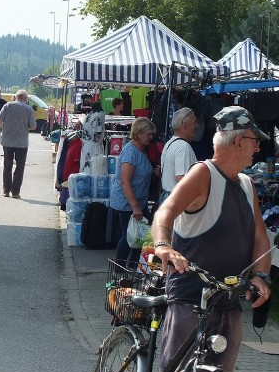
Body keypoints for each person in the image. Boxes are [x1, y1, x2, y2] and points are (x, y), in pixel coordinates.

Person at [151, 106, 271, 372]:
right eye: (256, 140)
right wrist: (163, 246)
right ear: (239, 140)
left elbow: (260, 237)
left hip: (227, 297)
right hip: (191, 296)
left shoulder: (246, 183)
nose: (258, 148)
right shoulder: (203, 174)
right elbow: (164, 212)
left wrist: (261, 276)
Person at [109, 117, 157, 265]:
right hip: (128, 203)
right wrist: (135, 206)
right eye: (148, 134)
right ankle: (120, 269)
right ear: (139, 132)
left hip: (137, 202)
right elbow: (125, 181)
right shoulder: (131, 152)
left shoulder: (141, 150)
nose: (151, 137)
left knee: (141, 235)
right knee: (130, 236)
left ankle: (131, 266)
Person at [0, 89, 36, 199]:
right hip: (22, 142)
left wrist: (4, 128)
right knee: (20, 167)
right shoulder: (29, 109)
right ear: (25, 99)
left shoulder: (8, 105)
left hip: (7, 140)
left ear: (16, 97)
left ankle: (6, 190)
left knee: (7, 166)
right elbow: (33, 126)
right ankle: (15, 192)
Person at [159, 107, 198, 204]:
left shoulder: (170, 143)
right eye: (194, 122)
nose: (196, 126)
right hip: (177, 200)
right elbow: (182, 178)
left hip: (168, 197)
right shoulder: (183, 146)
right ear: (185, 125)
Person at [80, 101, 106, 173]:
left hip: (86, 145)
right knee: (95, 167)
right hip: (94, 145)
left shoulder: (89, 115)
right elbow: (98, 131)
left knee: (86, 167)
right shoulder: (99, 115)